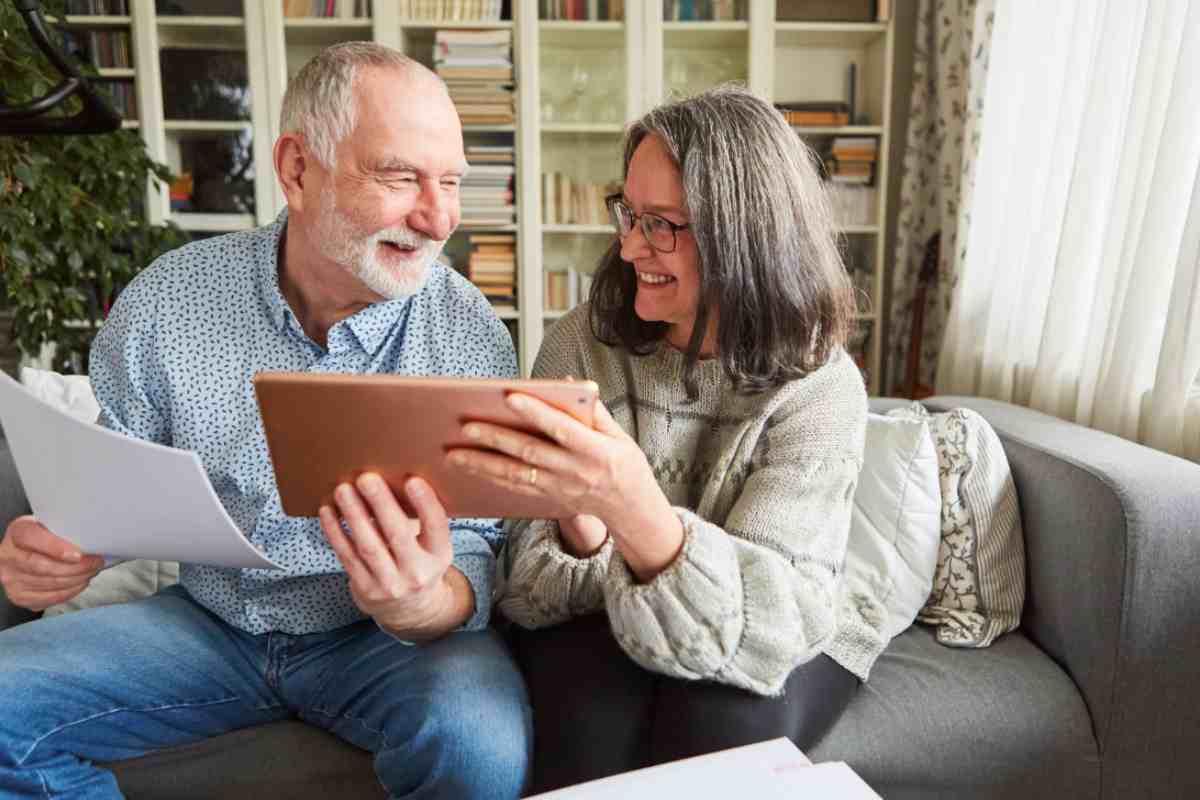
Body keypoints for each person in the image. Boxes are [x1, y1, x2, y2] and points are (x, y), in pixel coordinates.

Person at [0, 43, 530, 799]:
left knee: (476, 748)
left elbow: (481, 546)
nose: (439, 217)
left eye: (450, 183)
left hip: (384, 644)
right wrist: (55, 551)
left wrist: (424, 603)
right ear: (296, 169)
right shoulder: (165, 303)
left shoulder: (468, 333)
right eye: (401, 176)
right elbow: (108, 493)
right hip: (207, 624)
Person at [446, 85, 873, 792]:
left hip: (781, 628)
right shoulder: (581, 345)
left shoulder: (821, 387)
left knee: (721, 726)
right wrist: (583, 531)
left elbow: (768, 632)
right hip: (607, 616)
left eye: (664, 224)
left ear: (745, 235)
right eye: (629, 214)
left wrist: (634, 508)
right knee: (583, 717)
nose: (630, 245)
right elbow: (523, 591)